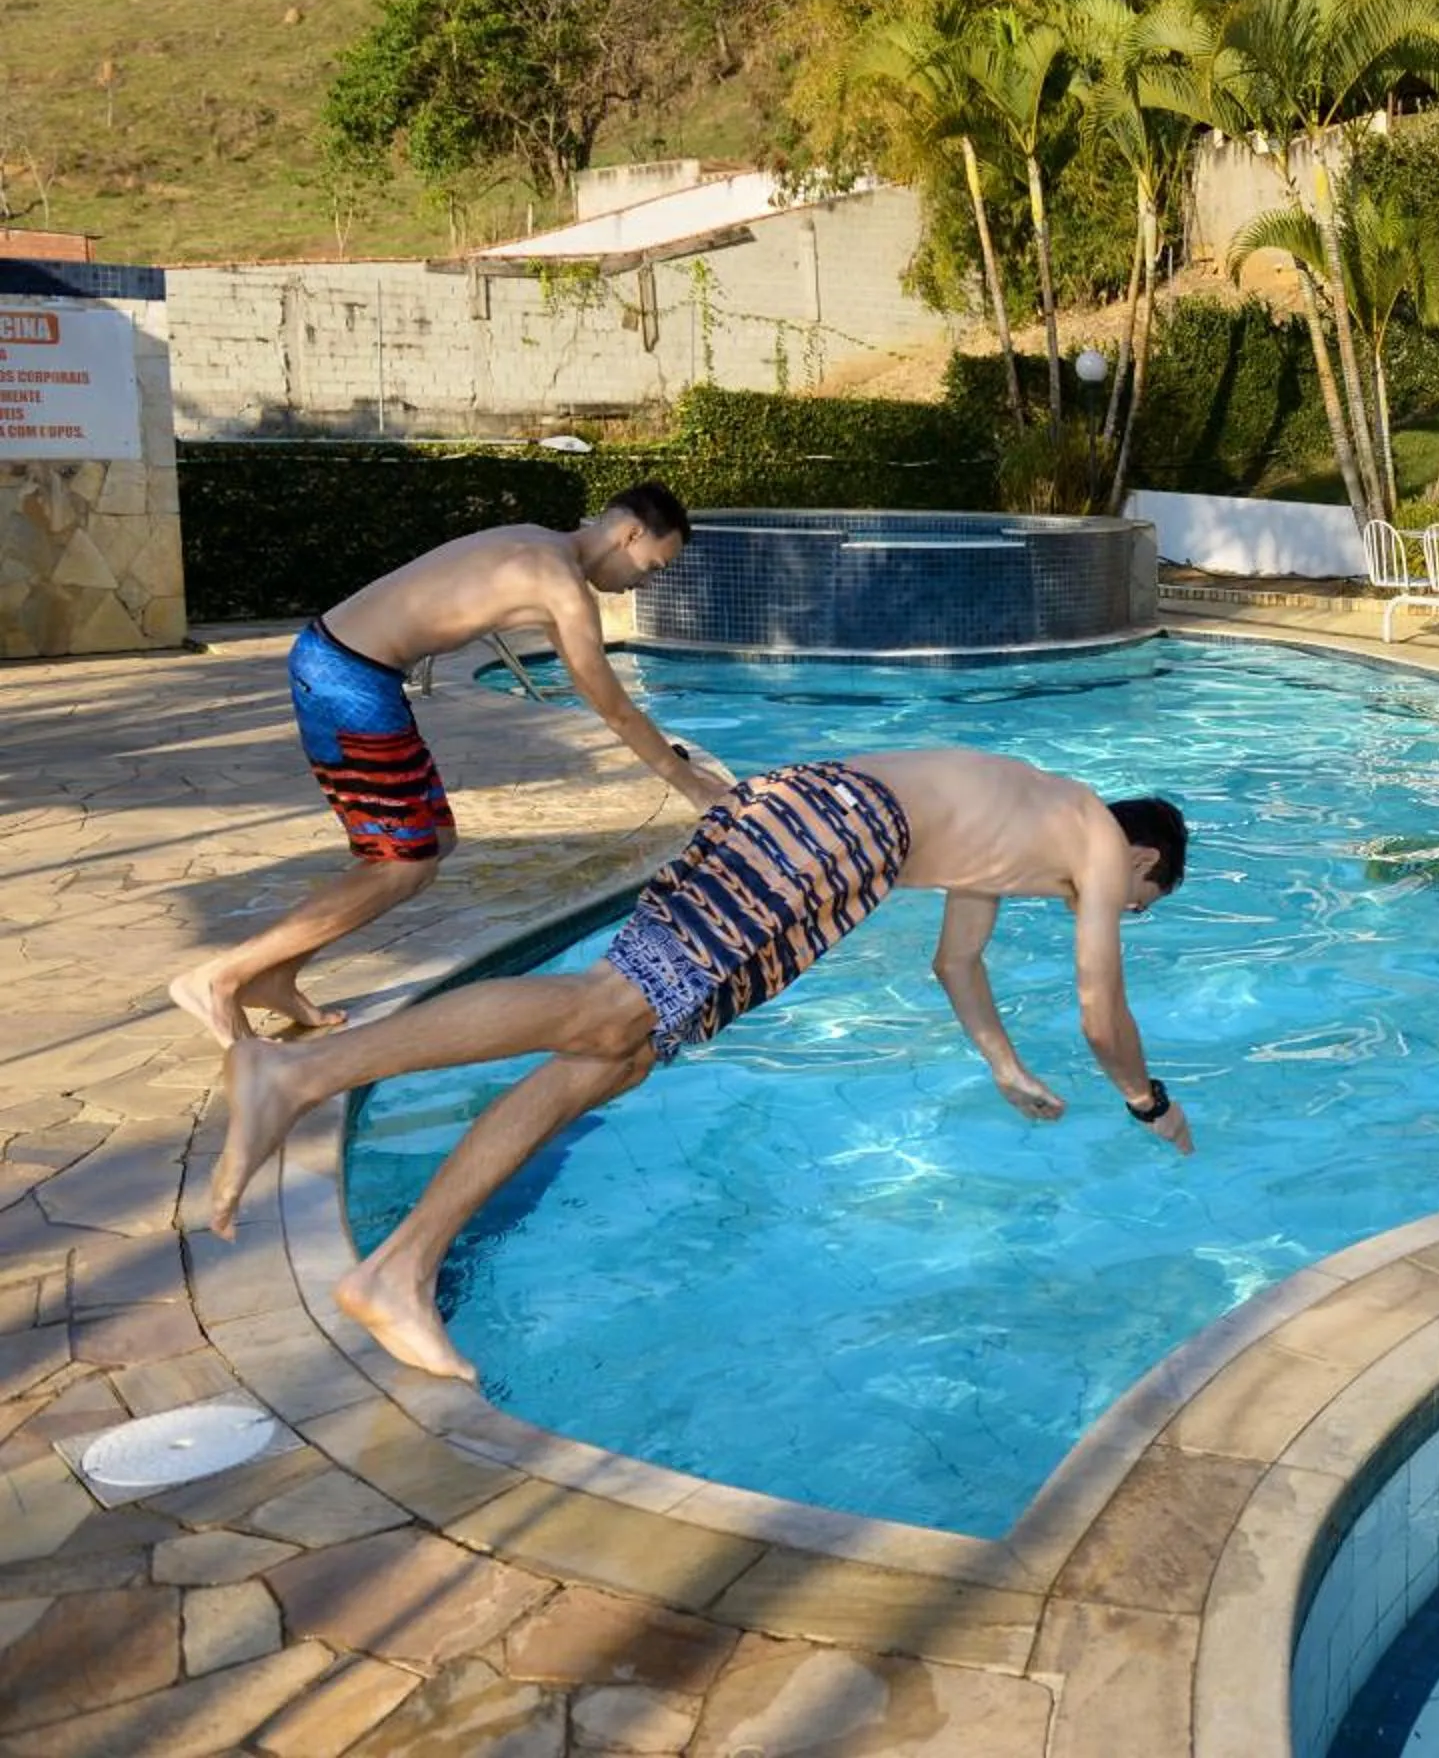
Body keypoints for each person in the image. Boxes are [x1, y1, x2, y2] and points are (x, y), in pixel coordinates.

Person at [204, 750, 1191, 1382]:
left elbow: (957, 961)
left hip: (824, 829)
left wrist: (1003, 1064)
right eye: (1142, 900)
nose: (1120, 908)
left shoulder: (1023, 827)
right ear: (1145, 858)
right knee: (604, 1007)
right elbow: (1102, 1006)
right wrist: (1147, 1101)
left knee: (616, 1054)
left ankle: (398, 1268)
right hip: (836, 829)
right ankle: (298, 1074)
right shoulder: (1099, 836)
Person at [170, 482, 729, 1047]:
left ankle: (277, 973)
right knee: (402, 864)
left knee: (432, 840)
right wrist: (689, 783)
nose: (644, 580)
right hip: (346, 678)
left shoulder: (538, 546)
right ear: (629, 533)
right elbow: (612, 707)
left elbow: (596, 690)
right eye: (652, 565)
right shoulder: (558, 583)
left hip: (352, 668)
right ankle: (221, 978)